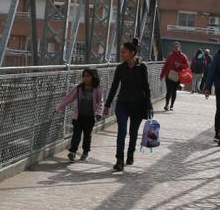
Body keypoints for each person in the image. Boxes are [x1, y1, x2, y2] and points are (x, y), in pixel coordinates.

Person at [103, 38, 153, 172]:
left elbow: (146, 88)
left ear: (132, 53)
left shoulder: (142, 68)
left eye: (124, 52)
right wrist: (107, 105)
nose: (121, 54)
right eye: (121, 52)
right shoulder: (120, 68)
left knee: (133, 132)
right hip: (122, 104)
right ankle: (119, 160)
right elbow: (114, 87)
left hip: (137, 105)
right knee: (122, 131)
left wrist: (149, 105)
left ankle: (130, 153)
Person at [55, 68, 103, 162]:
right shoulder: (79, 88)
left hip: (90, 117)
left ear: (93, 77)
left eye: (88, 76)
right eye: (84, 76)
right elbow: (69, 98)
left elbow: (100, 102)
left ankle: (85, 152)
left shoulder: (97, 89)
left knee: (87, 136)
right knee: (76, 135)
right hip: (78, 116)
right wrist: (59, 107)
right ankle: (72, 152)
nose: (85, 78)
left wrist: (98, 113)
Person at [158, 41, 190, 111]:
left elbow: (186, 66)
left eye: (177, 47)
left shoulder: (183, 56)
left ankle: (172, 105)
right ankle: (166, 105)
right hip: (169, 76)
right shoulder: (170, 56)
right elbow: (165, 66)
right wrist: (162, 75)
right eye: (175, 47)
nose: (176, 48)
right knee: (168, 91)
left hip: (177, 77)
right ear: (173, 48)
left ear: (179, 48)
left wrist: (180, 65)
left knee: (173, 91)